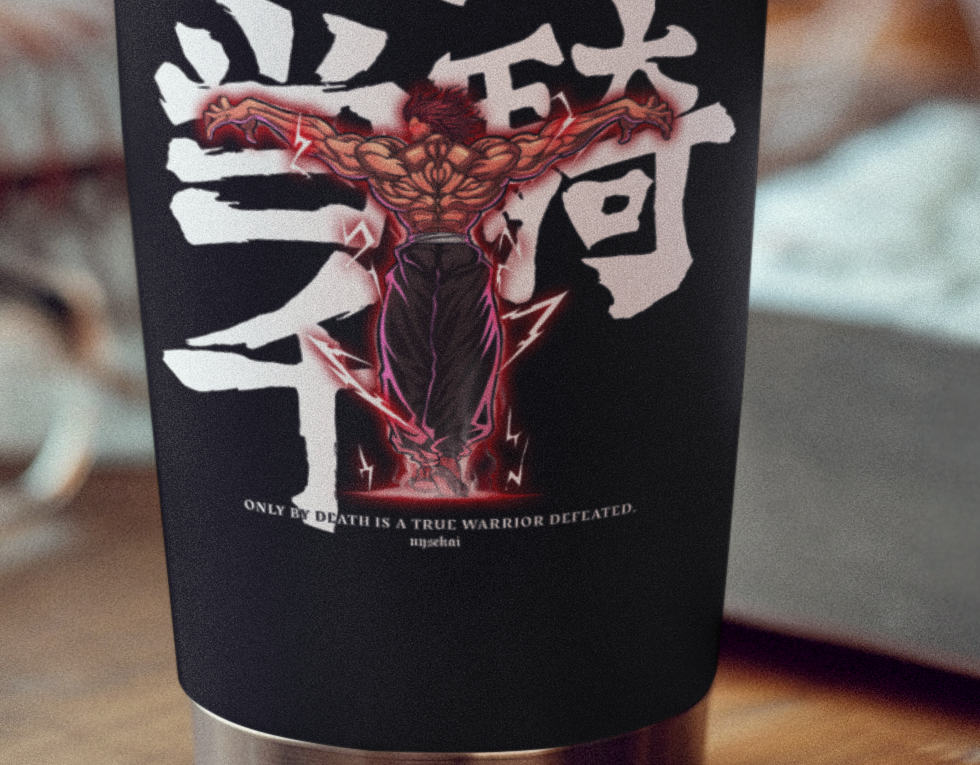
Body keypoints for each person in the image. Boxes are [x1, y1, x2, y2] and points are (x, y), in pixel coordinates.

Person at [196, 74, 676, 494]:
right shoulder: (489, 159)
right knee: (458, 355)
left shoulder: (391, 159)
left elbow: (318, 136)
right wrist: (623, 111)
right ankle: (443, 458)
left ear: (424, 123)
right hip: (461, 257)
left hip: (418, 256)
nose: (412, 133)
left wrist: (251, 111)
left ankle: (428, 459)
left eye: (415, 125)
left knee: (416, 355)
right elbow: (560, 138)